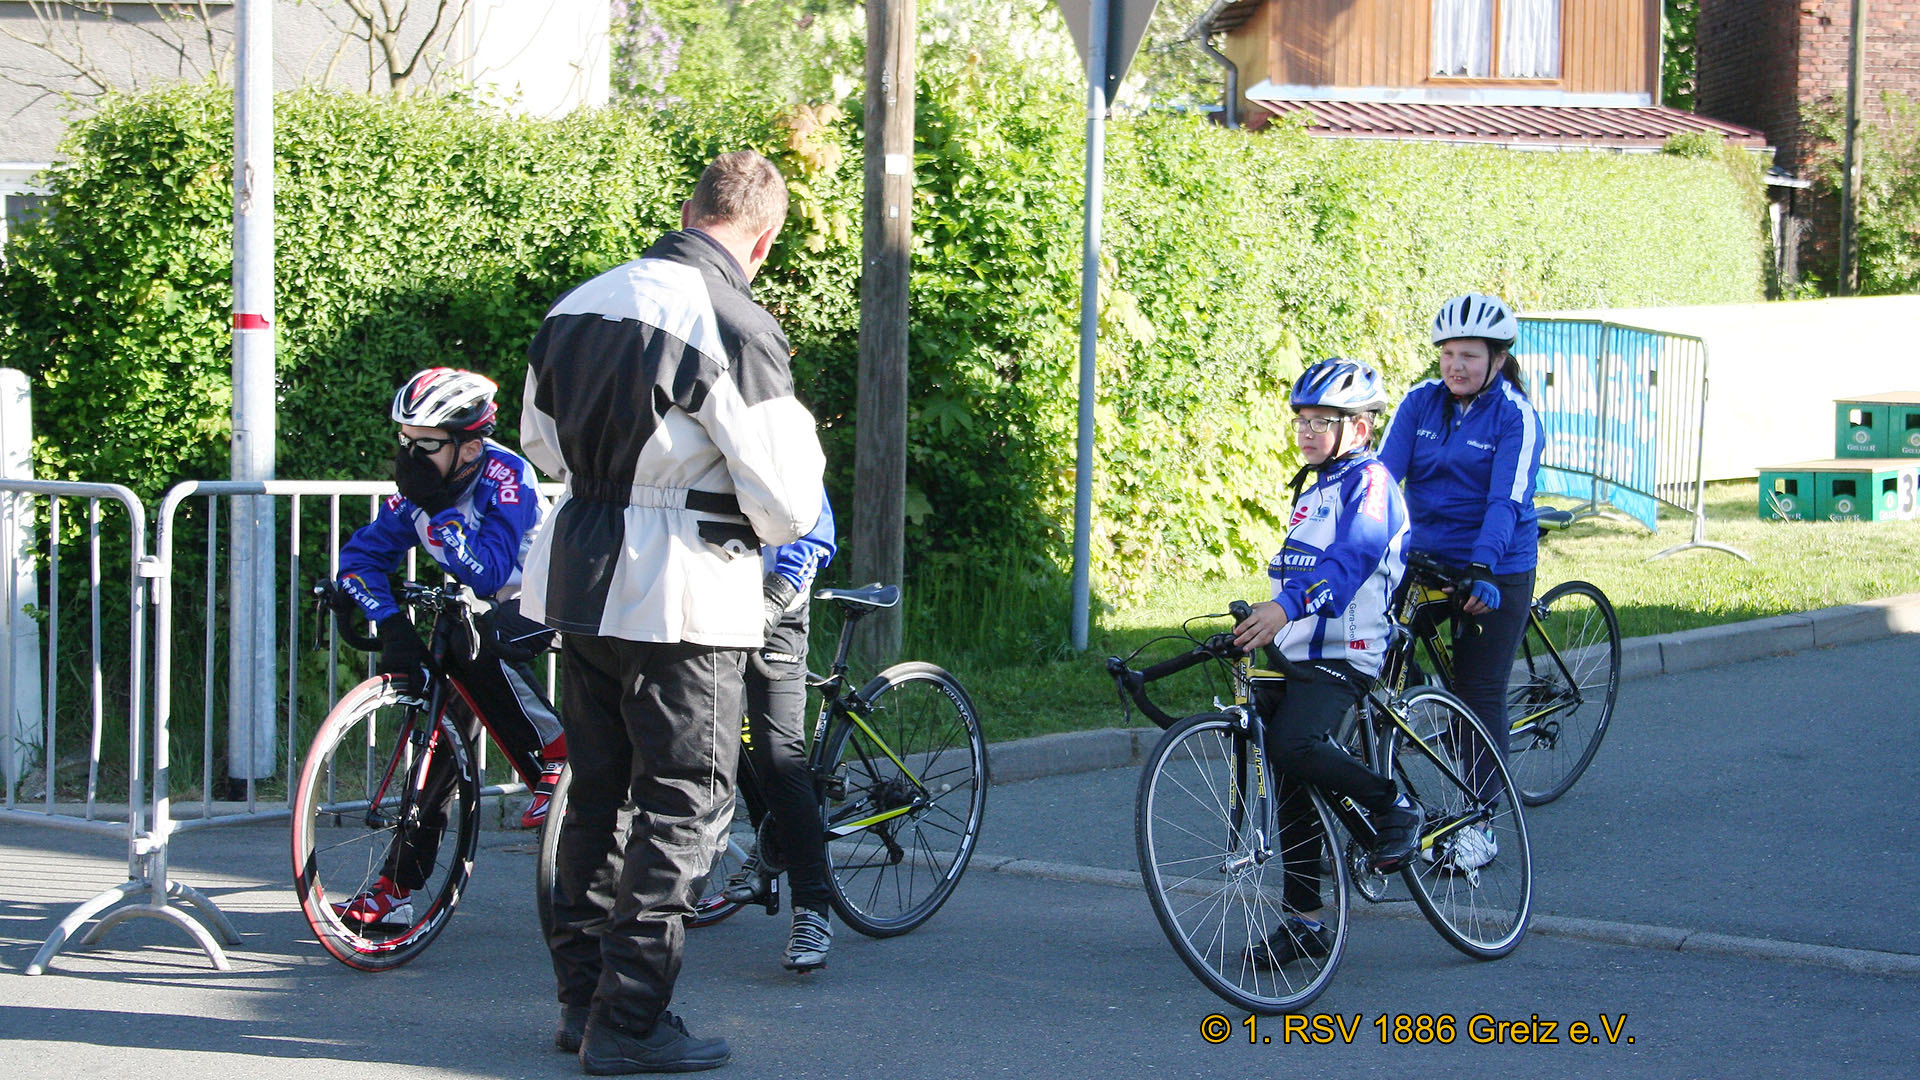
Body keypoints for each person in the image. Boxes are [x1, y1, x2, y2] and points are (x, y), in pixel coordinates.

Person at [520, 150, 825, 1075]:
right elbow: (787, 499)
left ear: (690, 211)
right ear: (763, 241)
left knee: (597, 797)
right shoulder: (733, 319)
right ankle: (631, 1022)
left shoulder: (577, 304)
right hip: (686, 586)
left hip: (581, 574)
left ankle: (584, 1005)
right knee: (683, 803)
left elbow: (540, 445)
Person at [331, 367, 567, 926]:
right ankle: (395, 890)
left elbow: (488, 572)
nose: (410, 458)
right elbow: (357, 561)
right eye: (405, 441)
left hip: (550, 601)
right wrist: (390, 624)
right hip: (482, 618)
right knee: (437, 748)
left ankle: (559, 753)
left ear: (470, 446)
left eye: (426, 445)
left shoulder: (506, 475)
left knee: (482, 637)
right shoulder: (419, 491)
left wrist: (437, 513)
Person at [1230, 358, 1421, 971]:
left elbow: (1349, 563)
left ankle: (1393, 806)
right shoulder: (1313, 487)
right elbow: (1296, 571)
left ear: (1358, 429)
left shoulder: (1372, 484)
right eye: (1302, 421)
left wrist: (1284, 608)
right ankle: (1305, 921)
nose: (1308, 432)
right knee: (1287, 772)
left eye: (1323, 421)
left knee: (1294, 744)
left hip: (1349, 652)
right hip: (1297, 652)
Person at [1377, 293, 1544, 873]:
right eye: (1448, 353)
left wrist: (1482, 566)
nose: (1455, 366)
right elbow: (1381, 481)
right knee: (1371, 657)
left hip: (1493, 566)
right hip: (1423, 557)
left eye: (1469, 355)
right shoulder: (1420, 402)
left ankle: (1481, 824)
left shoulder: (1515, 416)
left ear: (1498, 359)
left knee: (1477, 691)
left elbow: (1506, 500)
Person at [717, 490, 836, 972]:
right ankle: (772, 836)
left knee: (777, 753)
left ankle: (812, 908)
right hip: (707, 604)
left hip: (776, 606)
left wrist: (777, 593)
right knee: (713, 732)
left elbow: (816, 528)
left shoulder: (778, 439)